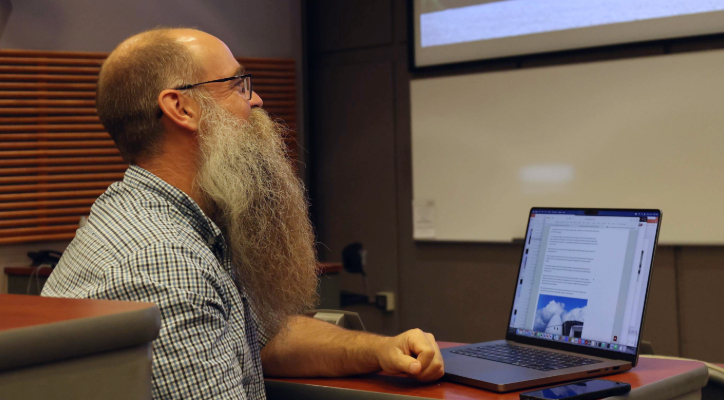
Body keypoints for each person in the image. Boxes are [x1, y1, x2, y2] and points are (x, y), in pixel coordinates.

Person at [43, 28, 443, 398]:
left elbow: (261, 338)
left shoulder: (166, 219)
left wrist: (379, 350)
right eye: (238, 85)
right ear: (181, 108)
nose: (256, 100)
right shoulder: (163, 264)